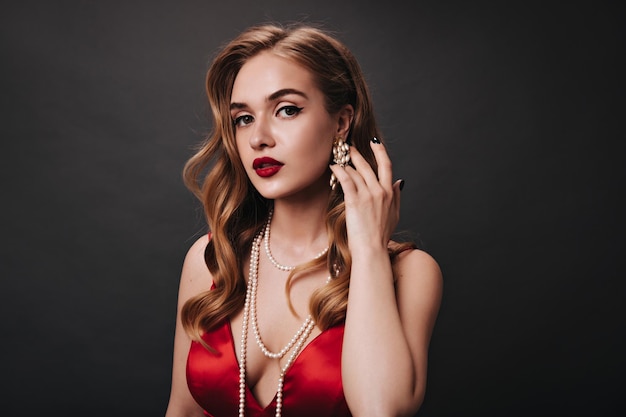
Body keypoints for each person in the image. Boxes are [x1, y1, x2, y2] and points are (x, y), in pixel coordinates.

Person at [165, 22, 443, 417]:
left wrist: (366, 248)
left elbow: (381, 410)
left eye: (287, 110)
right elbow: (183, 411)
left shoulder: (410, 274)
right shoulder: (211, 259)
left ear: (341, 123)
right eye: (243, 118)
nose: (259, 137)